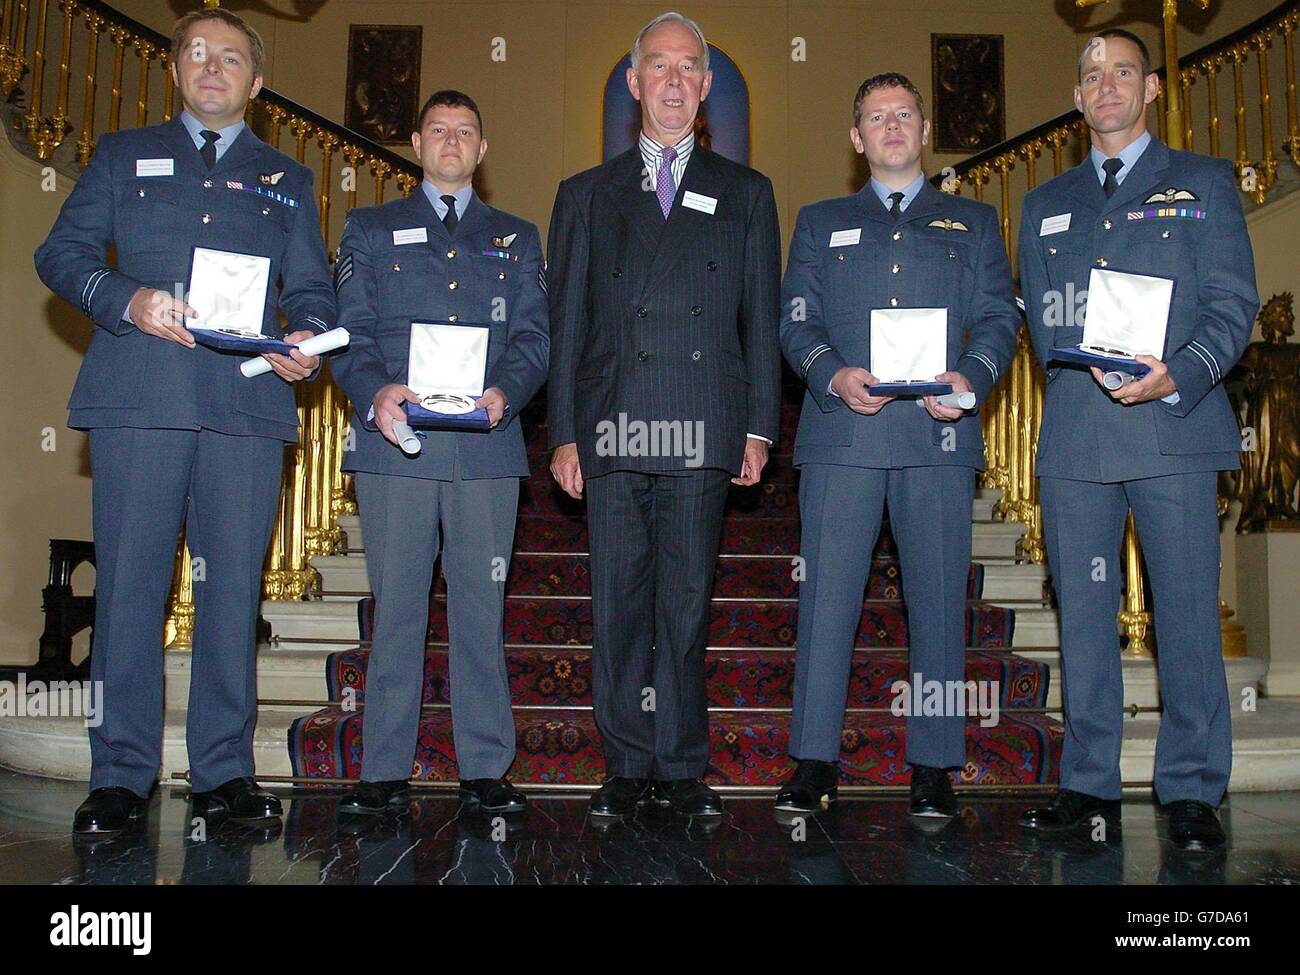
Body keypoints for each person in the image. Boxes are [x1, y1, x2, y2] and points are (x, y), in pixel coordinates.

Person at [35, 8, 336, 836]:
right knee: (131, 585)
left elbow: (311, 288)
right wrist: (126, 299)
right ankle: (121, 774)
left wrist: (305, 336)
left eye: (230, 56)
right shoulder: (121, 155)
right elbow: (61, 255)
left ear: (257, 82)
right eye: (196, 53)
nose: (212, 66)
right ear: (175, 70)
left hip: (245, 404)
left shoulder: (288, 178)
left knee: (233, 591)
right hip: (140, 399)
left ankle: (224, 773)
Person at [1017, 29, 1258, 852]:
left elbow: (1232, 306)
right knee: (1083, 617)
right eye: (1091, 75)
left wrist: (1179, 371)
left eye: (1122, 71)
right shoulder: (1044, 205)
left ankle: (1192, 790)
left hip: (1173, 430)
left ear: (1151, 87)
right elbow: (1044, 324)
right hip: (1079, 437)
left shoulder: (1203, 183)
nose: (1106, 85)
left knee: (1185, 614)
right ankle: (1089, 786)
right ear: (1079, 99)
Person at [546, 11, 781, 818]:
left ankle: (680, 766)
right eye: (659, 66)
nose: (674, 81)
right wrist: (566, 432)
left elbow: (763, 314)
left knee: (685, 603)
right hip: (612, 423)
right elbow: (568, 320)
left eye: (689, 68)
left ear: (708, 88)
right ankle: (625, 762)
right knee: (616, 602)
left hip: (703, 420)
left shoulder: (747, 193)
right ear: (635, 82)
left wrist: (758, 426)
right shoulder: (584, 195)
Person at [775, 73, 1019, 819]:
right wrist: (832, 373)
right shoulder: (819, 222)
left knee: (940, 601)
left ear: (923, 129)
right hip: (841, 435)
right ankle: (814, 760)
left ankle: (936, 763)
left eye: (903, 114)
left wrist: (971, 380)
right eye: (875, 117)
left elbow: (1001, 319)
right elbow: (795, 320)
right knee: (826, 602)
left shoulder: (973, 222)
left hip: (936, 437)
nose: (890, 126)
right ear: (856, 138)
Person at [330, 90, 549, 816]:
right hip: (397, 449)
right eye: (439, 130)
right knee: (397, 609)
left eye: (466, 132)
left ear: (482, 152)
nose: (452, 141)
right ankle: (383, 770)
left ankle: (485, 767)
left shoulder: (517, 237)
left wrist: (506, 393)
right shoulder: (368, 227)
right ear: (417, 144)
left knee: (480, 610)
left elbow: (533, 339)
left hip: (487, 451)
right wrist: (376, 392)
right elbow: (351, 335)